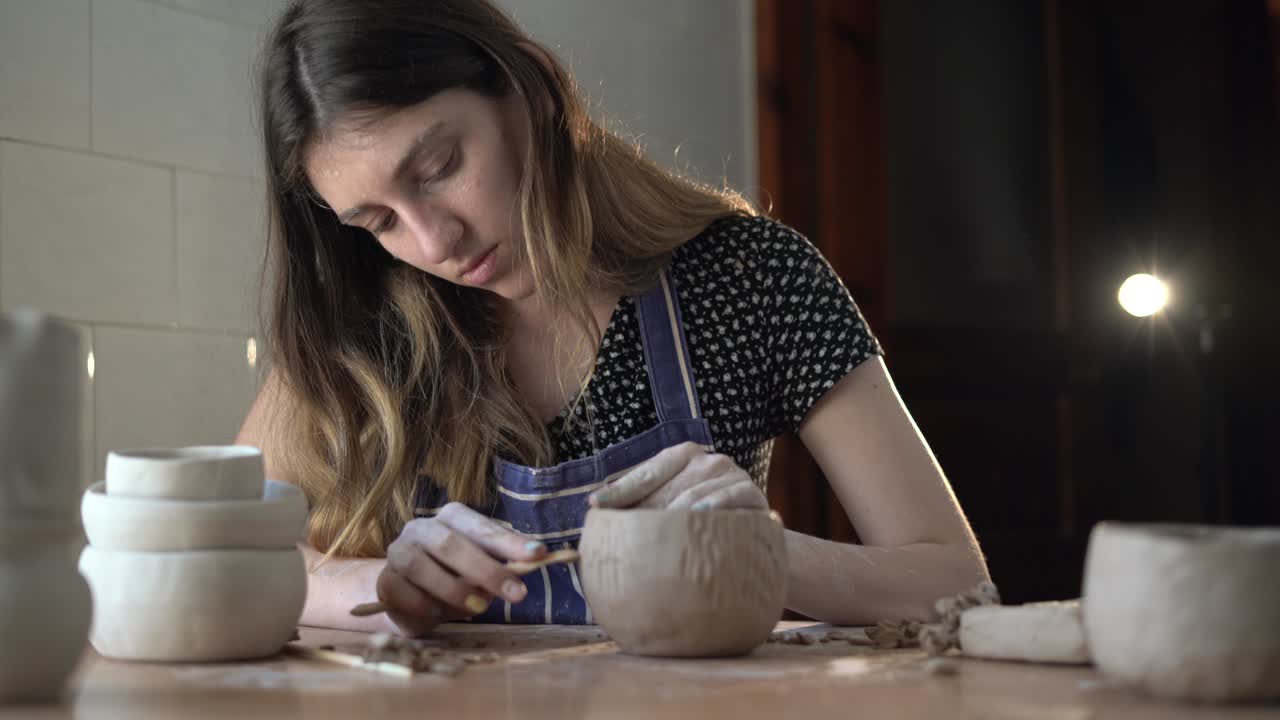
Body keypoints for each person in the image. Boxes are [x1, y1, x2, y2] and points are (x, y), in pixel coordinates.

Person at [237, 0, 989, 637]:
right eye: (378, 222)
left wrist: (767, 554)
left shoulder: (750, 278)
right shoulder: (365, 316)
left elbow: (956, 582)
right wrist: (383, 586)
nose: (434, 242)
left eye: (438, 169)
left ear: (527, 88)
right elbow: (229, 544)